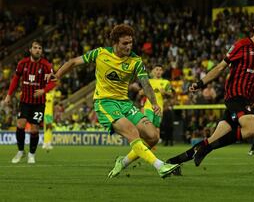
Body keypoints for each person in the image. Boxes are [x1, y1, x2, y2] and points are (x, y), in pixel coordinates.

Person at [50, 24, 179, 178]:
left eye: (131, 42)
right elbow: (73, 62)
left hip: (124, 103)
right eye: (125, 43)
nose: (129, 46)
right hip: (105, 103)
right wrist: (57, 75)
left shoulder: (135, 60)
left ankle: (122, 162)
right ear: (115, 43)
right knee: (132, 132)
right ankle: (160, 166)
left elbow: (145, 83)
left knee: (153, 136)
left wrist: (155, 103)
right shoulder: (100, 53)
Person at [167, 11, 254, 168]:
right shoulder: (242, 45)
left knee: (214, 138)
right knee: (250, 130)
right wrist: (201, 83)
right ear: (253, 27)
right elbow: (221, 67)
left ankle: (173, 162)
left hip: (248, 98)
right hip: (235, 95)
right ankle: (206, 149)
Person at [4, 40, 56, 164]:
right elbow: (15, 80)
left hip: (39, 103)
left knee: (34, 129)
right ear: (30, 50)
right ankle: (21, 151)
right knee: (20, 125)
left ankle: (32, 154)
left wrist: (43, 90)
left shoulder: (46, 65)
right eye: (35, 48)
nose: (38, 50)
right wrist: (9, 95)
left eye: (40, 48)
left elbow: (53, 81)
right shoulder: (23, 63)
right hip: (25, 101)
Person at [142, 64, 173, 128]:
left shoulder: (166, 82)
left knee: (156, 127)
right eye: (157, 69)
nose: (158, 71)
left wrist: (165, 92)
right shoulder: (148, 81)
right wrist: (142, 92)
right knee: (148, 126)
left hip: (159, 108)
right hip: (148, 107)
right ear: (153, 71)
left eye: (160, 70)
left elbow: (171, 94)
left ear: (162, 72)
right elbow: (142, 92)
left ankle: (156, 138)